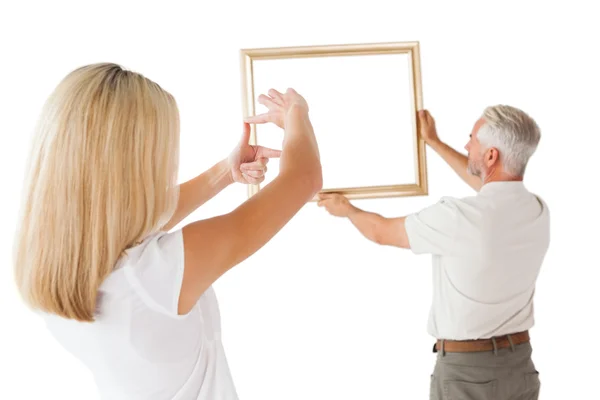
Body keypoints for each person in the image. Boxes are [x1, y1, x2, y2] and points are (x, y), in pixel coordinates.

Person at [13, 63, 322, 400]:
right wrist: (297, 116)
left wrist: (225, 173)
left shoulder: (47, 257)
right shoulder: (155, 277)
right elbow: (303, 180)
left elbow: (133, 217)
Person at [318, 107, 549, 399]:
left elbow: (380, 232)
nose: (466, 146)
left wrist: (348, 210)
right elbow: (492, 187)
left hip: (469, 373)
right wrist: (434, 142)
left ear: (491, 156)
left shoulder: (458, 217)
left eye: (472, 139)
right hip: (520, 368)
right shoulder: (537, 210)